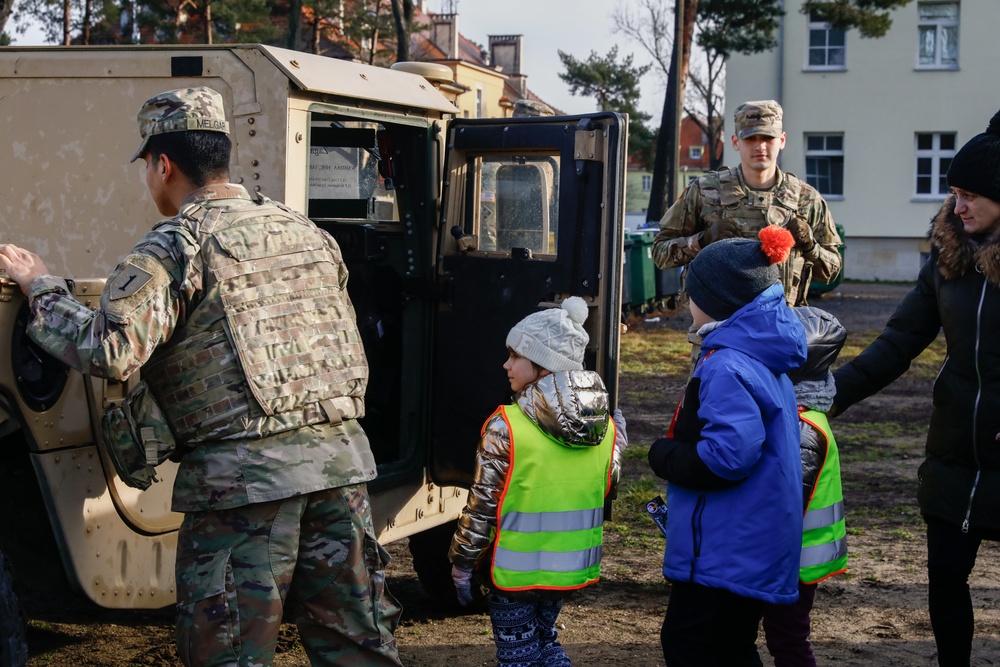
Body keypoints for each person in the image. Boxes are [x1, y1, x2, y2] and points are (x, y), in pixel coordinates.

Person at [0, 87, 402, 666]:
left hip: (245, 488)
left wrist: (40, 286)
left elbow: (111, 349)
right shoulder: (303, 231)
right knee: (358, 648)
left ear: (162, 165)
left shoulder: (175, 246)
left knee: (230, 653)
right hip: (341, 470)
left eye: (146, 167)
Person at [830, 108, 1000, 667]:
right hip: (953, 453)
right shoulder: (947, 259)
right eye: (954, 192)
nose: (958, 206)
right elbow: (900, 340)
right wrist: (831, 394)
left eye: (971, 194)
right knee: (945, 580)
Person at [647, 226, 807, 666]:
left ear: (717, 301)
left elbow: (728, 457)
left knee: (688, 643)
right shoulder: (761, 356)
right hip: (752, 542)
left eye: (691, 292)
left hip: (723, 549)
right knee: (733, 646)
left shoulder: (727, 365)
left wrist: (665, 456)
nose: (686, 302)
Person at [448, 296, 628, 667]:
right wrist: (618, 446)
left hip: (514, 574)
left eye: (516, 356)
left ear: (544, 367)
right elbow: (606, 485)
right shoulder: (604, 427)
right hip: (567, 570)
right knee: (545, 643)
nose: (506, 364)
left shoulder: (506, 426)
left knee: (519, 657)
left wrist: (462, 563)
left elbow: (482, 507)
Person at [652, 100, 842, 364]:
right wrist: (701, 241)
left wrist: (809, 244)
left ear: (782, 140)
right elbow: (660, 253)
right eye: (751, 138)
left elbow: (833, 270)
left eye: (768, 137)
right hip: (718, 339)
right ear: (735, 142)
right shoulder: (706, 192)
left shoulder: (806, 200)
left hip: (781, 339)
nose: (760, 146)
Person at [762, 306, 849, 667]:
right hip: (796, 559)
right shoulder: (808, 415)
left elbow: (786, 502)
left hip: (791, 562)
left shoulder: (799, 427)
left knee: (789, 640)